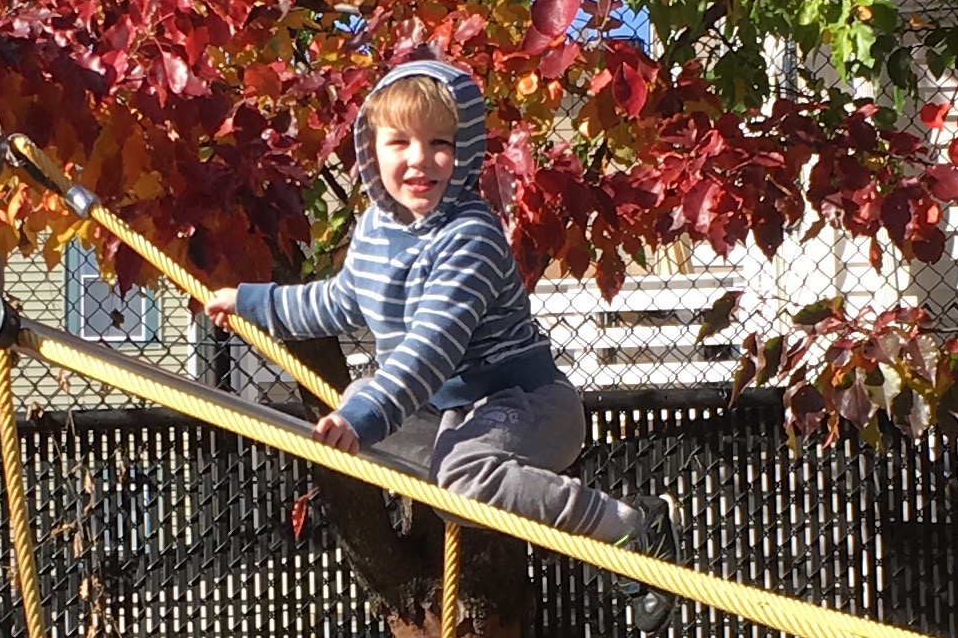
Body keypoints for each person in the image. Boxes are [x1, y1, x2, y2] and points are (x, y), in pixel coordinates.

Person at [206, 58, 662, 559]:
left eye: (440, 143)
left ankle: (632, 525)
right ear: (370, 150)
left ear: (463, 151)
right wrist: (252, 302)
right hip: (449, 414)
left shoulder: (470, 237)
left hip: (526, 404)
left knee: (457, 478)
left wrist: (364, 418)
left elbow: (430, 349)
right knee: (365, 401)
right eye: (399, 142)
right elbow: (338, 301)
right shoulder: (376, 230)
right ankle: (461, 482)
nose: (420, 160)